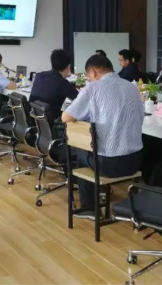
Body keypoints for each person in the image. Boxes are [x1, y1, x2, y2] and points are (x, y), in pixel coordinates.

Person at [61, 55, 143, 219]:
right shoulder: (131, 87)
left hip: (108, 165)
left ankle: (90, 207)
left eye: (88, 76)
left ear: (93, 72)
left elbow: (66, 117)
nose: (89, 80)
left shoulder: (92, 88)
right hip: (135, 161)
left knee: (82, 151)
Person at [29, 49, 78, 123]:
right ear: (68, 67)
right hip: (53, 123)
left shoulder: (39, 76)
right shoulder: (63, 83)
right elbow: (80, 100)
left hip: (34, 120)